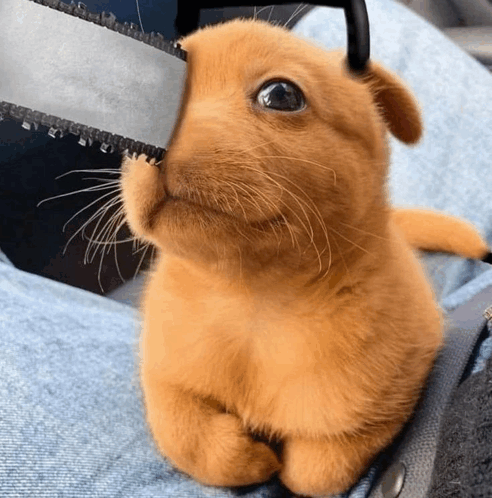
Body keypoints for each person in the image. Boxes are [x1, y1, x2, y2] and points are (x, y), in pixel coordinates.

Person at [0, 0, 491, 496]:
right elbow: (167, 384)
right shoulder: (172, 327)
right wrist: (189, 438)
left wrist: (329, 463)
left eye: (280, 96)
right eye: (156, 107)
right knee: (346, 19)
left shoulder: (389, 354)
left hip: (440, 434)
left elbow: (406, 368)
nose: (164, 137)